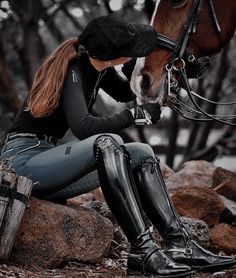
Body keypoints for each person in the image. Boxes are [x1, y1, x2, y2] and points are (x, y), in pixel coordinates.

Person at [0, 14, 235, 277]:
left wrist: (172, 71)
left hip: (47, 159)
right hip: (23, 161)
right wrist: (135, 115)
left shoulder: (98, 66)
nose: (136, 54)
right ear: (112, 55)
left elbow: (125, 92)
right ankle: (143, 251)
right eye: (131, 52)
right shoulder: (74, 68)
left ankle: (180, 245)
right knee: (109, 142)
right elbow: (84, 127)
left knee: (142, 153)